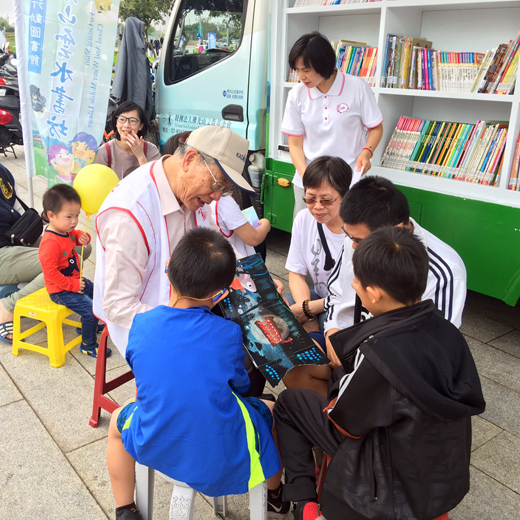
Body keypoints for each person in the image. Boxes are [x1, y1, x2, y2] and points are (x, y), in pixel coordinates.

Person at [274, 226, 485, 520]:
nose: (355, 287)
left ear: (373, 294)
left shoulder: (379, 353)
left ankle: (304, 504)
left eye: (357, 283)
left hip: (384, 478)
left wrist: (339, 379)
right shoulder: (448, 332)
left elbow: (345, 421)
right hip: (438, 472)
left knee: (290, 404)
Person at [106, 228, 289, 520]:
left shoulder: (141, 323)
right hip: (219, 449)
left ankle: (124, 508)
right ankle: (276, 495)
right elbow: (241, 387)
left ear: (168, 271)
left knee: (117, 423)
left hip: (156, 440)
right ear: (220, 294)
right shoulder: (227, 333)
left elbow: (145, 373)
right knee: (272, 409)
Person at [324, 175, 467, 368]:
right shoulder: (356, 239)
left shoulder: (444, 271)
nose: (353, 246)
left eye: (359, 240)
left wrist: (362, 362)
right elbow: (336, 292)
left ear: (396, 230)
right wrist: (332, 330)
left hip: (393, 367)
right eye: (348, 235)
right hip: (347, 343)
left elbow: (435, 345)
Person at [282, 32, 383, 218]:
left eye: (306, 70)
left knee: (347, 234)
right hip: (308, 182)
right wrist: (308, 180)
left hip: (349, 181)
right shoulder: (297, 94)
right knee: (307, 235)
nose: (301, 76)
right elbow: (295, 144)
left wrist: (366, 152)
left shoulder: (358, 88)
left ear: (324, 64)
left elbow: (375, 127)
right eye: (297, 70)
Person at [282, 156, 351, 395]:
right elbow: (296, 274)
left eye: (326, 200)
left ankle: (333, 395)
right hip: (318, 301)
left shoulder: (356, 232)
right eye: (310, 199)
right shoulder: (304, 219)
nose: (317, 207)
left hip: (344, 307)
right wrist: (305, 308)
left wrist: (309, 310)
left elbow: (353, 297)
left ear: (345, 195)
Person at [0, 165, 91, 343]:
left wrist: (51, 217)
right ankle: (7, 306)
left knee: (83, 247)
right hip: (2, 252)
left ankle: (32, 284)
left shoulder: (3, 171)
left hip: (17, 238)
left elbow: (18, 210)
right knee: (55, 267)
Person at [39, 185, 108, 358]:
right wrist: (72, 285)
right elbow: (50, 273)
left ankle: (87, 324)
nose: (74, 221)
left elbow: (75, 234)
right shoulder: (49, 244)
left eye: (77, 216)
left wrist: (82, 237)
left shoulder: (65, 230)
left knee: (96, 292)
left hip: (73, 283)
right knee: (91, 309)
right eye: (69, 217)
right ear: (51, 216)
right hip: (60, 290)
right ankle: (88, 345)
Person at [94, 101, 161, 179]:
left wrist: (140, 156)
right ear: (116, 123)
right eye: (122, 119)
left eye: (132, 121)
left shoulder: (150, 150)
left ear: (141, 126)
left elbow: (155, 182)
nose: (126, 125)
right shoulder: (104, 152)